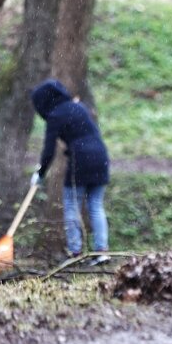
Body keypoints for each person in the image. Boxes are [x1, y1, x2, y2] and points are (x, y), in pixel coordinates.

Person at [30, 79, 111, 266]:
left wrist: (40, 173)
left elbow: (49, 150)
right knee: (96, 205)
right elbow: (85, 135)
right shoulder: (79, 107)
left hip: (81, 162)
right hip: (101, 157)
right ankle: (102, 251)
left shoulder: (55, 116)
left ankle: (75, 252)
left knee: (72, 205)